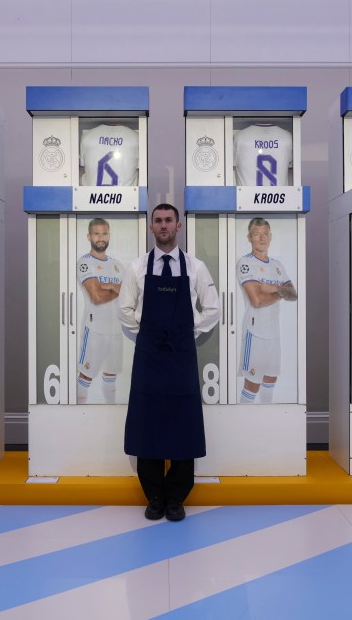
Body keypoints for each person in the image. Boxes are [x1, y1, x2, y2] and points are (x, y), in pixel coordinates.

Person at [120, 203, 220, 522]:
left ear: (179, 227)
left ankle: (176, 497)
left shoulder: (195, 267)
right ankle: (155, 497)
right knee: (148, 423)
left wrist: (189, 331)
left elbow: (213, 308)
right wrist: (146, 332)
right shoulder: (137, 267)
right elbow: (124, 310)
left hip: (181, 356)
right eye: (158, 221)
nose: (163, 225)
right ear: (152, 228)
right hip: (149, 356)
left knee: (182, 424)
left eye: (168, 221)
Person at [235, 218, 297, 403]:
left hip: (274, 333)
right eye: (256, 234)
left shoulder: (277, 265)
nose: (261, 238)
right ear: (249, 238)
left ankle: (268, 423)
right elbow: (257, 301)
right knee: (253, 384)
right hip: (255, 333)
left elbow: (293, 294)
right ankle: (244, 425)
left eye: (265, 234)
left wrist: (273, 288)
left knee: (270, 379)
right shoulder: (245, 263)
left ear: (270, 237)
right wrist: (280, 289)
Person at [76, 218, 125, 404]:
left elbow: (129, 294)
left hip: (116, 330)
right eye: (96, 233)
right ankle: (79, 414)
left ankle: (110, 413)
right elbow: (96, 297)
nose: (100, 238)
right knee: (86, 375)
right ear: (89, 236)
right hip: (94, 329)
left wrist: (108, 285)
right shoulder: (84, 263)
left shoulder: (118, 265)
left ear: (109, 236)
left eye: (104, 233)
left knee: (111, 375)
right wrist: (117, 287)